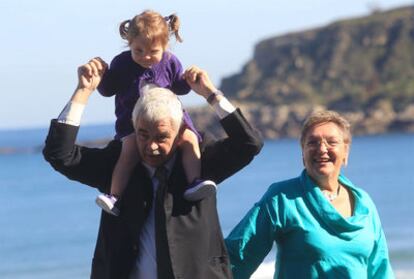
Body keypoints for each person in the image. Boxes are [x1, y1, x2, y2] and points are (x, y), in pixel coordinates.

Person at [42, 57, 263, 278]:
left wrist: (211, 94)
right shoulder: (118, 163)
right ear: (134, 128)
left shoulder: (199, 158)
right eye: (143, 135)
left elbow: (249, 144)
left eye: (162, 137)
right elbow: (59, 154)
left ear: (180, 133)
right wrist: (83, 92)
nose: (151, 146)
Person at [225, 110, 394, 279]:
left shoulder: (364, 203)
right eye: (312, 142)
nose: (322, 149)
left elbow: (380, 269)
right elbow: (237, 256)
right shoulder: (282, 198)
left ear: (345, 152)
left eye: (331, 142)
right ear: (303, 154)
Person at [96, 10, 215, 216]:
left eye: (153, 51)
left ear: (165, 46)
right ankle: (114, 196)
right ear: (129, 44)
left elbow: (180, 88)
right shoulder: (122, 63)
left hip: (170, 120)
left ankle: (194, 182)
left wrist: (188, 79)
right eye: (138, 50)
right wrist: (101, 75)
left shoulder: (170, 62)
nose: (146, 57)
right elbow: (107, 90)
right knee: (129, 152)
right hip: (132, 123)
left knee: (189, 139)